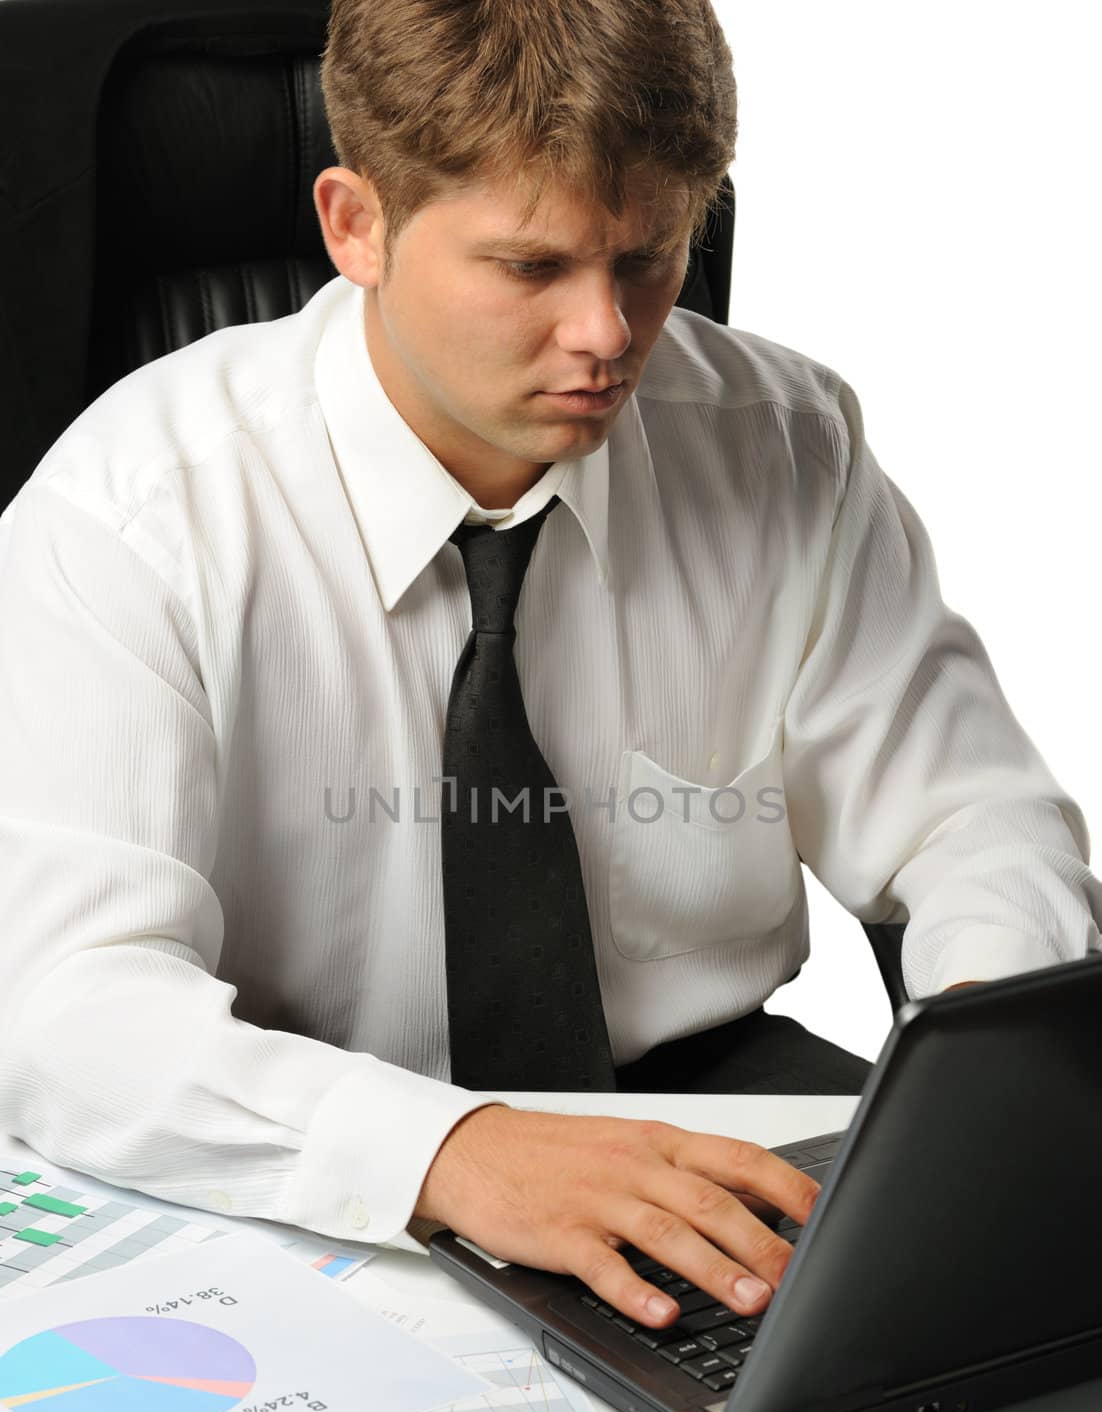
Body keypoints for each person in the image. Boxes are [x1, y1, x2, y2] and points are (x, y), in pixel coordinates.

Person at [1, 0, 1099, 1342]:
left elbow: (969, 816)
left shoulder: (779, 440)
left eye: (646, 259)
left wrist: (976, 1075)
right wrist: (451, 1152)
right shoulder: (132, 514)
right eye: (530, 269)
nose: (607, 336)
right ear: (354, 224)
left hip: (697, 1105)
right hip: (299, 1150)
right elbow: (64, 1007)